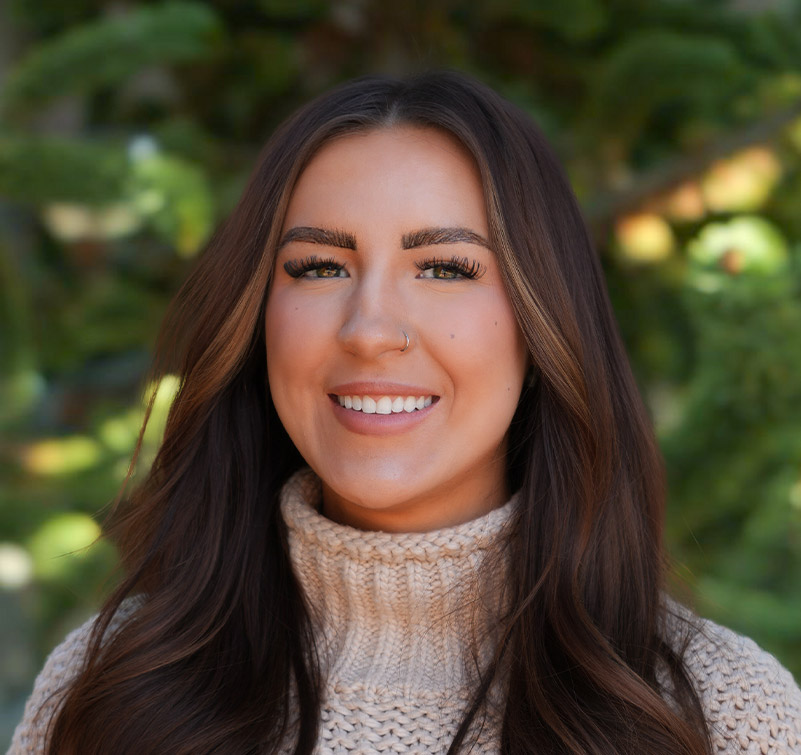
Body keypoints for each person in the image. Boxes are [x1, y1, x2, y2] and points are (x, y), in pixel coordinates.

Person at [9, 71, 801, 755]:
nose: (369, 329)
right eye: (318, 265)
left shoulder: (718, 714)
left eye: (444, 267)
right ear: (257, 316)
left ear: (541, 322)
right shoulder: (111, 692)